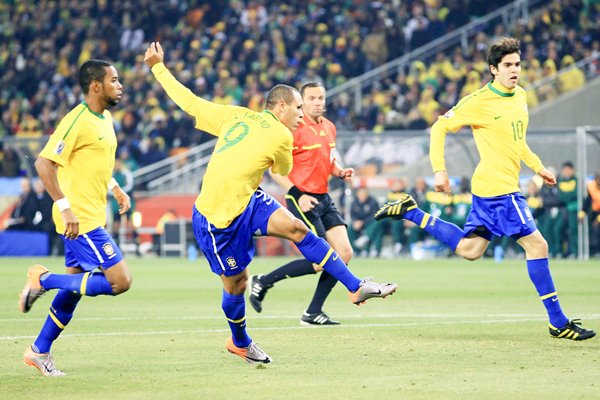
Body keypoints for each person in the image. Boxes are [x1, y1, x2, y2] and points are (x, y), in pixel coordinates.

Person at [144, 42, 397, 364]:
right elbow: (282, 170)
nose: (302, 116)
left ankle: (354, 286)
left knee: (297, 229)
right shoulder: (282, 136)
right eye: (298, 109)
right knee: (237, 284)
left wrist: (157, 67)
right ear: (280, 106)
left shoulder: (234, 115)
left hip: (248, 200)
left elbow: (189, 102)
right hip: (215, 218)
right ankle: (240, 342)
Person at [375, 37, 595, 341]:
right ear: (493, 69)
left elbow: (518, 143)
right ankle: (558, 322)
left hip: (492, 189)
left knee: (470, 250)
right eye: (507, 65)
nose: (514, 70)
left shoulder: (520, 96)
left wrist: (539, 167)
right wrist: (440, 170)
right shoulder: (478, 101)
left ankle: (412, 212)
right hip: (500, 190)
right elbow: (439, 126)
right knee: (538, 246)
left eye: (517, 64)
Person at [19, 59, 133, 376]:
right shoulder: (77, 120)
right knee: (120, 281)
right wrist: (65, 206)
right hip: (80, 219)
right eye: (114, 80)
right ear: (96, 85)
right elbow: (44, 164)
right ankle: (42, 280)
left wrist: (115, 187)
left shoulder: (106, 118)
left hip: (92, 213)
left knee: (73, 289)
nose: (120, 85)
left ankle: (39, 350)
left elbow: (96, 163)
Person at [248, 81, 356, 326]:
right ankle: (264, 281)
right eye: (312, 99)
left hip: (324, 197)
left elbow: (328, 161)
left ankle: (312, 312)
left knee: (345, 253)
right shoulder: (292, 130)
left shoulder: (329, 127)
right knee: (323, 259)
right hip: (302, 199)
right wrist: (297, 194)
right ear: (302, 102)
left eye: (321, 98)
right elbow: (275, 171)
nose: (318, 103)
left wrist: (339, 172)